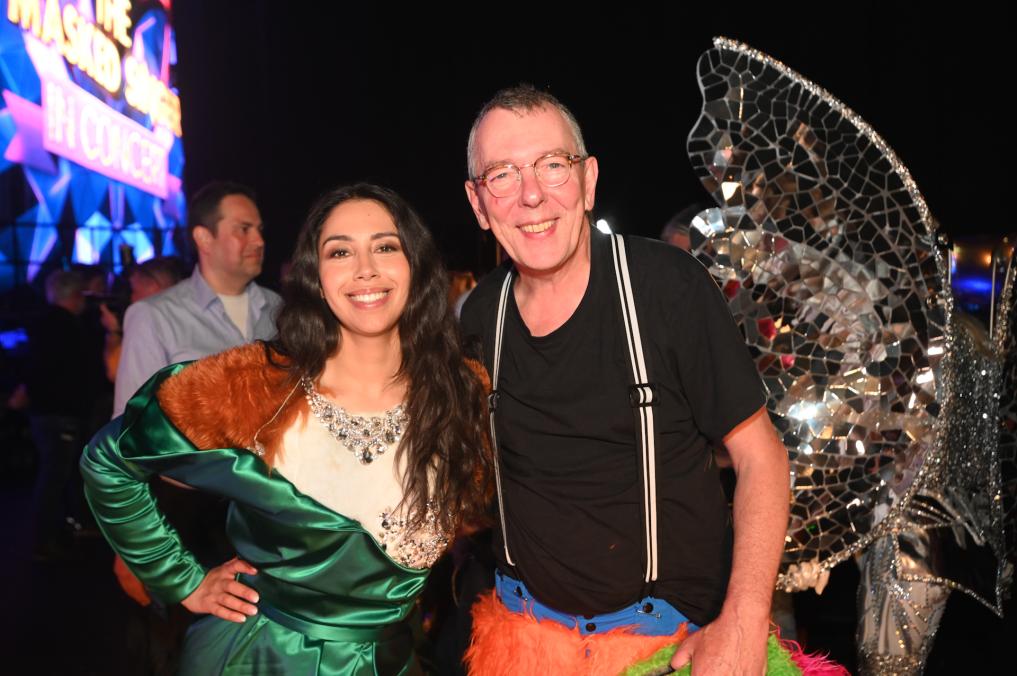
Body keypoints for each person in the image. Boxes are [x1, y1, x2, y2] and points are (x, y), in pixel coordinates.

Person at [81, 183, 491, 674]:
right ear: (315, 275)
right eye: (340, 251)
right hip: (269, 659)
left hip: (398, 657)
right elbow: (109, 461)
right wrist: (181, 579)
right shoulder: (255, 387)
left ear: (415, 265)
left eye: (386, 246)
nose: (366, 268)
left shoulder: (461, 390)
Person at [459, 86, 791, 675]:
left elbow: (760, 455)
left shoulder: (668, 287)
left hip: (665, 647)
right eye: (503, 175)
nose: (532, 194)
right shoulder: (481, 314)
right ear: (479, 203)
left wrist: (743, 617)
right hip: (520, 642)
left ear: (588, 181)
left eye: (552, 165)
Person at [112, 181, 282, 418]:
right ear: (204, 238)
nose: (259, 241)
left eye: (259, 229)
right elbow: (131, 424)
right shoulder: (155, 316)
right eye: (244, 229)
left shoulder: (278, 308)